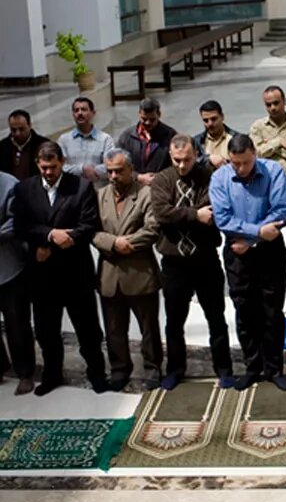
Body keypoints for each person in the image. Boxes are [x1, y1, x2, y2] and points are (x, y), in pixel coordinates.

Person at [13, 141, 108, 396]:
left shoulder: (81, 187)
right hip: (43, 277)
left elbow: (89, 225)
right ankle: (52, 374)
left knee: (88, 330)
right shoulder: (25, 190)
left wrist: (60, 240)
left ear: (62, 162)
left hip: (76, 273)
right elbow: (21, 226)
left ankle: (97, 373)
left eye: (52, 167)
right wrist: (49, 235)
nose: (48, 172)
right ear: (37, 165)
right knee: (46, 331)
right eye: (44, 168)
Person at [150, 135, 234, 390]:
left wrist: (189, 214)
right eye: (177, 160)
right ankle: (175, 369)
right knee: (174, 321)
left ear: (195, 154)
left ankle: (224, 368)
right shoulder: (162, 179)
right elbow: (161, 213)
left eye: (187, 160)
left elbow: (215, 208)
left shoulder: (209, 176)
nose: (182, 166)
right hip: (175, 262)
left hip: (205, 259)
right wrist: (194, 214)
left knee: (216, 317)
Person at [210, 134, 286, 391]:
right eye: (236, 164)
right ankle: (252, 367)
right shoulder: (220, 178)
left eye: (246, 163)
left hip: (269, 251)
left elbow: (281, 210)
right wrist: (257, 233)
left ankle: (274, 368)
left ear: (254, 153)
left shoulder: (273, 171)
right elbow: (223, 219)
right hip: (237, 253)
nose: (242, 169)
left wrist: (252, 240)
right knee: (245, 311)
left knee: (272, 311)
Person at [92, 148, 163, 391]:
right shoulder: (100, 196)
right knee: (113, 328)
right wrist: (113, 243)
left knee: (148, 327)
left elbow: (153, 228)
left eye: (119, 171)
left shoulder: (146, 194)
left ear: (131, 170)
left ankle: (153, 367)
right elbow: (91, 230)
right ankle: (120, 369)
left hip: (139, 272)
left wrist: (127, 243)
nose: (113, 176)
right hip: (110, 274)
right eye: (109, 171)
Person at [0, 171, 35, 395]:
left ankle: (25, 373)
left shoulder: (8, 183)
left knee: (17, 324)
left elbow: (18, 220)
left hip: (9, 265)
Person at [117, 98, 178, 185]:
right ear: (139, 114)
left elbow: (177, 164)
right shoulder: (127, 136)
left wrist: (161, 177)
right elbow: (118, 164)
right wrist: (138, 177)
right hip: (133, 188)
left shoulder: (170, 135)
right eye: (144, 119)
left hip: (162, 187)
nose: (148, 123)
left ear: (159, 115)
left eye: (152, 119)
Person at [250, 85, 286, 170]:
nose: (273, 108)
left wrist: (269, 147)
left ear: (284, 101)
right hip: (268, 176)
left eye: (276, 103)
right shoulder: (257, 127)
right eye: (268, 105)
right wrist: (279, 142)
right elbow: (256, 155)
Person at [57, 97, 114, 186]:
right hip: (72, 191)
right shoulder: (64, 140)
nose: (80, 113)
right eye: (76, 110)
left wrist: (93, 171)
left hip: (98, 191)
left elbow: (111, 165)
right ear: (73, 114)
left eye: (84, 109)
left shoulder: (105, 139)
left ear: (93, 113)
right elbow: (60, 167)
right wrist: (82, 169)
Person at [0, 110, 50, 180]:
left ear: (29, 125)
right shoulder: (2, 147)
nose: (18, 133)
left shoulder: (44, 145)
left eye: (21, 129)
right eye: (13, 130)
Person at [193, 99, 239, 170]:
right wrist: (209, 159)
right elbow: (191, 161)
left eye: (214, 119)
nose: (210, 123)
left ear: (222, 117)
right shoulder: (196, 141)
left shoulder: (236, 139)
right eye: (206, 120)